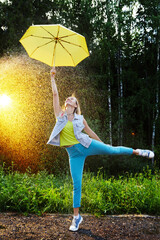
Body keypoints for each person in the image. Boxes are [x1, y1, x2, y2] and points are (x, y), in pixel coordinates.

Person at [47, 67, 154, 232]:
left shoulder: (80, 119)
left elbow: (90, 133)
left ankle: (138, 151)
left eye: (72, 99)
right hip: (73, 154)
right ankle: (76, 218)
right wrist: (52, 77)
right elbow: (55, 95)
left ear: (75, 106)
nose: (69, 99)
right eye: (67, 98)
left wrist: (104, 145)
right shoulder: (59, 116)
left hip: (87, 145)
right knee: (77, 184)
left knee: (113, 151)